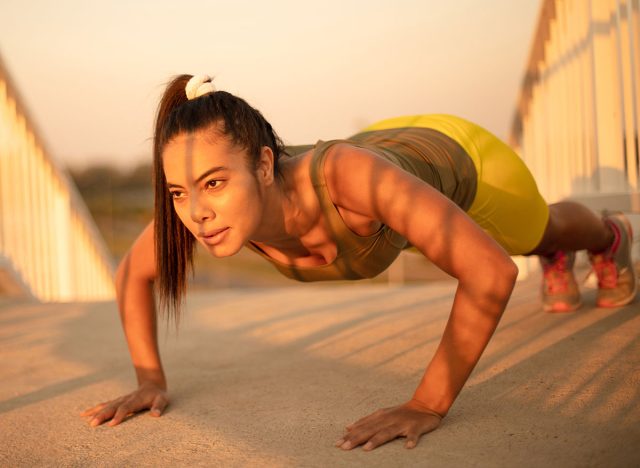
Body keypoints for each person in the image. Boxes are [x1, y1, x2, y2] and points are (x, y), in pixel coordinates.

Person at [81, 74, 637, 451]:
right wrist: (149, 379)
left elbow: (490, 273)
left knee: (536, 232)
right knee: (449, 239)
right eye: (179, 192)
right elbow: (133, 271)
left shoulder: (346, 180)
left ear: (265, 166)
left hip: (460, 156)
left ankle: (609, 236)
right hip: (388, 165)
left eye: (214, 183)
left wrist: (427, 403)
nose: (196, 212)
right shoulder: (221, 211)